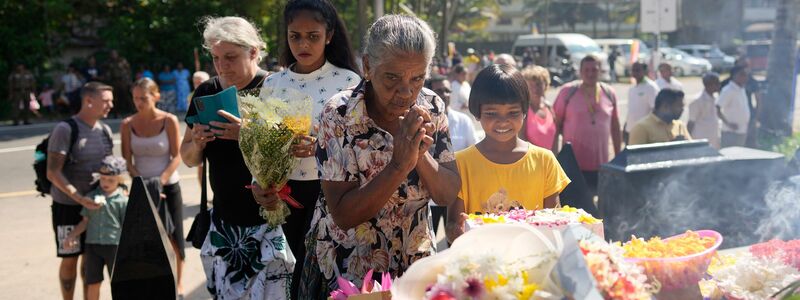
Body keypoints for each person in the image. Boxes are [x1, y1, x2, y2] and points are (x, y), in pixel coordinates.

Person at [299, 14, 460, 298]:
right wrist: (399, 165)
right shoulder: (338, 115)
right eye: (392, 78)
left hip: (414, 265)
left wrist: (418, 151)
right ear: (368, 67)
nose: (406, 91)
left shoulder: (432, 106)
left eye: (418, 77)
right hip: (349, 271)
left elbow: (447, 195)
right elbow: (344, 215)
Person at [180, 16, 294, 299]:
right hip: (225, 224)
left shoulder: (275, 87)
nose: (222, 66)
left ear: (254, 51)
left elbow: (296, 152)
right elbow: (188, 158)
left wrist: (248, 134)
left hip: (273, 223)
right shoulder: (207, 91)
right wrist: (197, 144)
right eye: (216, 58)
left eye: (230, 57)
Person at [261, 0, 361, 297]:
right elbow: (260, 146)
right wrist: (260, 183)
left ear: (329, 35)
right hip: (286, 197)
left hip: (332, 194)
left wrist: (320, 147)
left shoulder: (348, 81)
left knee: (327, 280)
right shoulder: (273, 83)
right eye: (295, 36)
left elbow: (357, 144)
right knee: (295, 280)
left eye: (313, 36)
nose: (303, 44)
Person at [446, 64, 571, 242]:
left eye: (513, 113)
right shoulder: (460, 163)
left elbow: (554, 224)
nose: (503, 122)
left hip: (532, 262)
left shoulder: (545, 160)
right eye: (491, 113)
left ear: (524, 111)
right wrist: (458, 230)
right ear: (477, 112)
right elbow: (452, 225)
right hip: (481, 263)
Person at [46, 82, 114, 300]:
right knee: (70, 257)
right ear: (88, 101)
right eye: (106, 100)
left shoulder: (105, 130)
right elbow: (53, 172)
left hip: (95, 208)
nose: (110, 105)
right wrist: (79, 198)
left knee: (91, 260)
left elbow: (109, 170)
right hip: (68, 207)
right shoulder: (66, 129)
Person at [120, 78, 185, 296]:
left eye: (144, 98)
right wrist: (140, 182)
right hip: (141, 188)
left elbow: (177, 156)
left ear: (156, 96)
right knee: (144, 239)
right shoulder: (127, 124)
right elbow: (127, 160)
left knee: (173, 236)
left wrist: (161, 181)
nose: (139, 102)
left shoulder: (169, 120)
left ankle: (179, 283)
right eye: (135, 98)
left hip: (168, 185)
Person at [62, 156, 128, 300]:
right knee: (92, 283)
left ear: (120, 180)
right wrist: (72, 235)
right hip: (93, 247)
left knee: (118, 283)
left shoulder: (122, 201)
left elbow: (126, 227)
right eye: (103, 179)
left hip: (114, 247)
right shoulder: (90, 197)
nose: (105, 183)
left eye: (110, 180)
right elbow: (85, 221)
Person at [553, 55, 622, 193]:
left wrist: (618, 157)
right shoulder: (567, 92)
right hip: (573, 165)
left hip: (601, 165)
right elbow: (555, 125)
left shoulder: (609, 93)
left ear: (600, 71)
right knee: (574, 208)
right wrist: (555, 157)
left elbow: (615, 127)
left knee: (600, 209)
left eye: (594, 70)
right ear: (580, 71)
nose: (590, 73)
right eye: (587, 70)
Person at [426, 75, 476, 236]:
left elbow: (474, 153)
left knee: (455, 245)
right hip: (430, 200)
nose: (445, 95)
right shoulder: (420, 122)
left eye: (448, 91)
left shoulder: (464, 121)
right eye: (439, 91)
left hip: (457, 198)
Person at [520, 65, 558, 152]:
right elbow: (521, 141)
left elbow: (555, 139)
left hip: (549, 162)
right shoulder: (523, 110)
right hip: (531, 162)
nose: (535, 89)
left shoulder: (549, 108)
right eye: (530, 85)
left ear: (546, 84)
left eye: (538, 84)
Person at [625, 62, 660, 143]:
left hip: (644, 132)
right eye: (633, 70)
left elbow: (655, 110)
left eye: (637, 70)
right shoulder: (632, 88)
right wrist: (626, 127)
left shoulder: (651, 87)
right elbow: (630, 110)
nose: (634, 72)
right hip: (630, 130)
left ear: (645, 71)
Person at [717, 65, 750, 147]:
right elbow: (717, 108)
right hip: (730, 133)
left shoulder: (741, 89)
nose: (745, 77)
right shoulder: (728, 90)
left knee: (739, 156)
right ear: (734, 76)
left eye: (746, 74)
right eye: (742, 74)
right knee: (729, 156)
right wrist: (728, 124)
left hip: (742, 131)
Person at [688, 73, 722, 148]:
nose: (719, 85)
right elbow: (691, 122)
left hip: (714, 138)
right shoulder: (697, 101)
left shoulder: (716, 98)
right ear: (708, 85)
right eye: (717, 83)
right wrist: (688, 141)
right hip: (701, 140)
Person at [104, 50, 133, 116]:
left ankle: (130, 110)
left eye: (114, 54)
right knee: (115, 97)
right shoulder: (108, 63)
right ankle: (115, 112)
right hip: (114, 81)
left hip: (123, 81)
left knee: (126, 96)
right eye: (112, 54)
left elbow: (128, 70)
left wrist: (128, 81)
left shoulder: (122, 61)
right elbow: (106, 73)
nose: (113, 55)